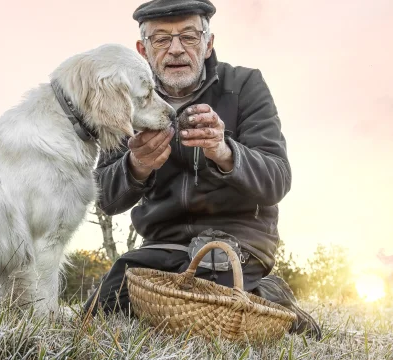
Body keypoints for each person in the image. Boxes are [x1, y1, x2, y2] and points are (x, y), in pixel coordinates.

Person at [82, 0, 322, 339]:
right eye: (161, 39)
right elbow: (103, 197)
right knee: (100, 313)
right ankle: (246, 294)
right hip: (162, 247)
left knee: (210, 315)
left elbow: (278, 179)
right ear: (143, 50)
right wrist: (136, 167)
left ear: (208, 43)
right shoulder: (127, 98)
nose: (176, 49)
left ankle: (270, 294)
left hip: (237, 241)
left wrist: (225, 152)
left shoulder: (246, 86)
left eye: (189, 36)